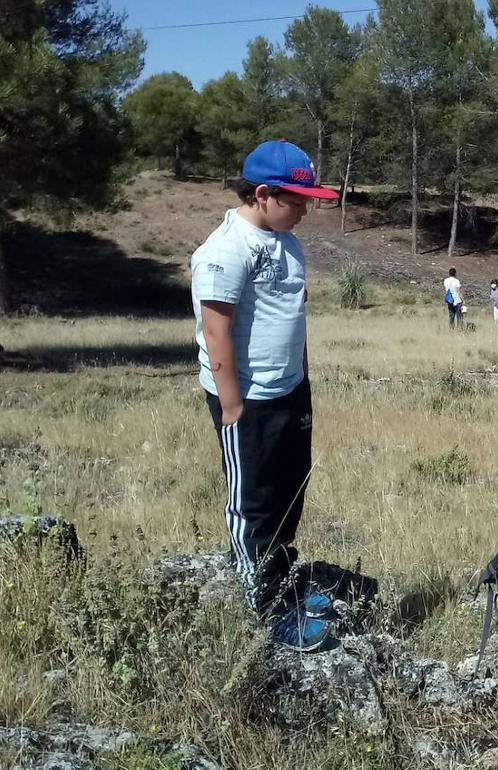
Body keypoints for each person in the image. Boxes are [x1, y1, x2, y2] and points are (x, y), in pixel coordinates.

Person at [190, 139, 338, 651]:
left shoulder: (286, 243)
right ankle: (262, 606)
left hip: (290, 391)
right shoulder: (224, 251)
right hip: (247, 400)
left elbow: (290, 319)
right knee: (252, 500)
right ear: (261, 194)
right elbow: (217, 334)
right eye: (296, 200)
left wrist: (300, 378)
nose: (304, 210)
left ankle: (281, 579)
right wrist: (233, 407)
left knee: (288, 488)